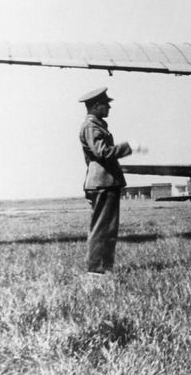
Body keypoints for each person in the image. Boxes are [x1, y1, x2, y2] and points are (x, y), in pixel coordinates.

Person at [79, 87, 146, 275]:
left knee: (108, 229)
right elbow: (102, 152)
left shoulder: (97, 125)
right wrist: (129, 147)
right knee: (101, 228)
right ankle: (95, 270)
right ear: (96, 106)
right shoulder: (91, 126)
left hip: (106, 183)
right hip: (102, 183)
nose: (109, 107)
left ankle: (105, 268)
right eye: (105, 104)